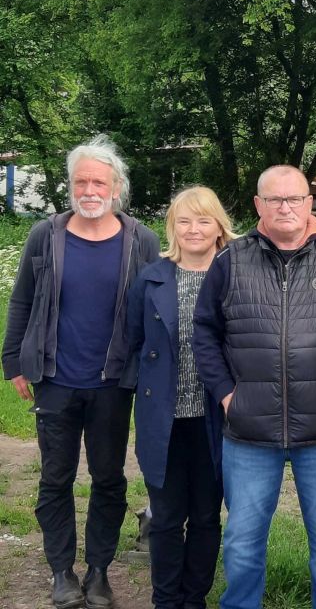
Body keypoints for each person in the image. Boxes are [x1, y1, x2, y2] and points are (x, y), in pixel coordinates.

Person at [192, 165, 316, 609]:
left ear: (309, 202)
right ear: (258, 205)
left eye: (294, 198)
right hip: (249, 430)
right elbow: (204, 333)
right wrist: (227, 396)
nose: (285, 207)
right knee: (242, 539)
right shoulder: (230, 260)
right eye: (275, 199)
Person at [2, 135, 160, 609]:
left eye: (99, 181)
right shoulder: (45, 235)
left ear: (117, 189)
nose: (89, 189)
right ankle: (61, 571)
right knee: (55, 478)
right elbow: (22, 300)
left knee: (110, 478)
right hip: (54, 379)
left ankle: (98, 571)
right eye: (81, 181)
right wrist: (14, 362)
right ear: (71, 186)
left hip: (114, 383)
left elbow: (156, 309)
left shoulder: (141, 240)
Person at [126, 186, 236, 608]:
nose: (194, 229)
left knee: (207, 517)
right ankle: (165, 600)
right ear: (172, 227)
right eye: (184, 221)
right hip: (164, 420)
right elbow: (133, 341)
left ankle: (195, 599)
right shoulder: (151, 277)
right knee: (168, 518)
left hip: (216, 417)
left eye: (203, 220)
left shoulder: (233, 275)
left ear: (218, 226)